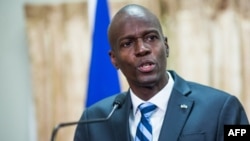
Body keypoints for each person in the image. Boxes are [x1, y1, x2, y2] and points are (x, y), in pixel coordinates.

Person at [74, 4, 249, 141]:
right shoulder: (93, 121)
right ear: (114, 59)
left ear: (166, 46)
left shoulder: (224, 108)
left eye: (151, 38)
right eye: (127, 43)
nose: (142, 49)